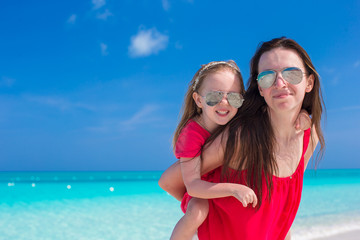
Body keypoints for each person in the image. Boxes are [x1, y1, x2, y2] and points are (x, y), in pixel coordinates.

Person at [159, 37, 323, 240]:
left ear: (309, 82)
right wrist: (200, 208)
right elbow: (169, 181)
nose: (280, 83)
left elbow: (279, 214)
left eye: (292, 73)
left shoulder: (309, 136)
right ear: (260, 88)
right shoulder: (241, 138)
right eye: (267, 77)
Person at [168, 60, 259, 240]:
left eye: (233, 97)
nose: (224, 103)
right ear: (198, 100)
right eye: (214, 96)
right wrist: (234, 189)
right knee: (198, 211)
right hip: (204, 191)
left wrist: (302, 116)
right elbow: (193, 186)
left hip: (229, 184)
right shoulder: (191, 134)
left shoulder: (238, 118)